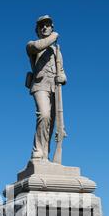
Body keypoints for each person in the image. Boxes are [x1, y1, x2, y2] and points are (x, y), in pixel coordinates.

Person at [26, 15, 67, 161]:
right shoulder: (32, 45)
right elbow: (39, 46)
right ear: (37, 30)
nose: (44, 27)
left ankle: (45, 153)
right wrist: (54, 36)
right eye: (41, 26)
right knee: (43, 115)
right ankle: (37, 150)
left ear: (51, 27)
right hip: (40, 85)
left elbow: (62, 72)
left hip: (54, 88)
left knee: (51, 121)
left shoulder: (57, 51)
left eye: (48, 25)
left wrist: (62, 78)